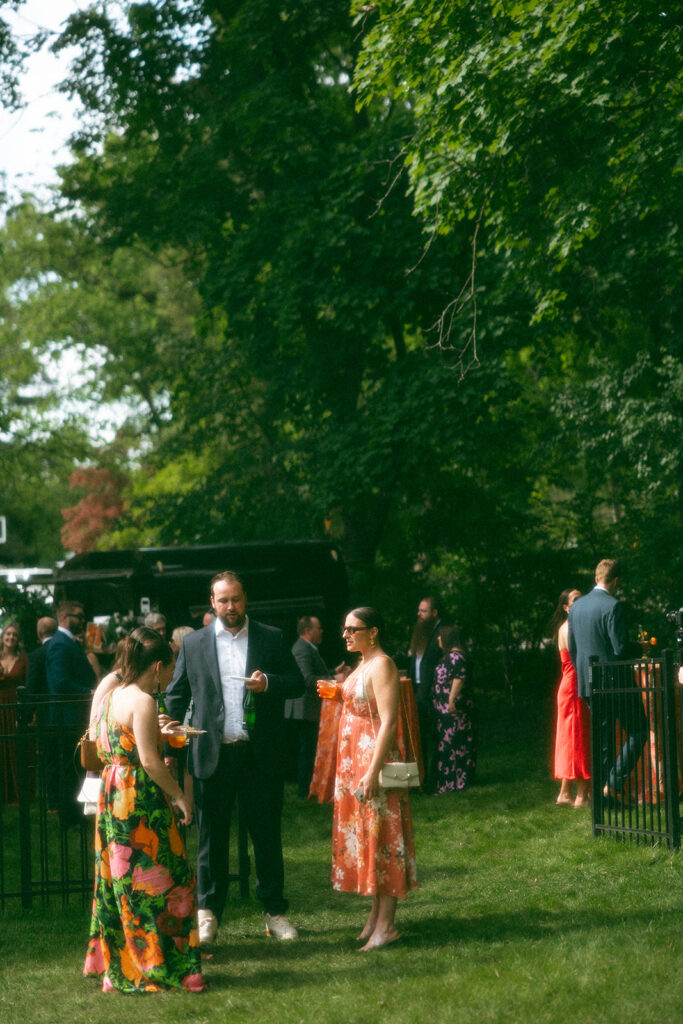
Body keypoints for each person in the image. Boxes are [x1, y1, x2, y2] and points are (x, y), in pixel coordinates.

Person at [165, 570, 304, 945]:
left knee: (267, 835)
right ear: (212, 603)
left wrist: (269, 683)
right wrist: (168, 732)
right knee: (211, 838)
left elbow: (297, 683)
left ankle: (275, 913)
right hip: (213, 754)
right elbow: (176, 695)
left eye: (236, 599)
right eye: (223, 600)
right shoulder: (193, 644)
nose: (230, 606)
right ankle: (208, 914)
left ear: (246, 599)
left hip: (259, 754)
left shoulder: (270, 637)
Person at [83, 627, 203, 993]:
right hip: (139, 799)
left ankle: (117, 969)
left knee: (119, 881)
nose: (169, 679)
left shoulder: (109, 696)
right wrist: (180, 796)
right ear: (156, 666)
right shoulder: (144, 700)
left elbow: (104, 742)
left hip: (112, 794)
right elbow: (151, 762)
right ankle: (165, 968)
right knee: (165, 880)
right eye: (168, 670)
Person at [324, 606, 418, 951]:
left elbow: (389, 721)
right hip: (355, 763)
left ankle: (387, 926)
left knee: (384, 840)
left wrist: (373, 770)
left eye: (353, 629)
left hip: (372, 763)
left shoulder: (383, 665)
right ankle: (375, 917)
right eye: (344, 629)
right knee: (368, 839)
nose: (345, 634)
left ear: (373, 631)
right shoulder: (362, 665)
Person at [568, 559, 647, 800]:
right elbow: (621, 648)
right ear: (615, 581)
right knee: (638, 730)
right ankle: (612, 784)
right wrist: (641, 648)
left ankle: (602, 801)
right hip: (616, 681)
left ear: (596, 578)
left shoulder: (576, 608)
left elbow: (573, 649)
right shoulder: (613, 606)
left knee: (602, 740)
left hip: (589, 682)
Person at [45, 601, 96, 824]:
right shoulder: (60, 644)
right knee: (70, 767)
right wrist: (89, 691)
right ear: (65, 617)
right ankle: (70, 817)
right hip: (67, 717)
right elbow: (59, 682)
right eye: (78, 615)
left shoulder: (67, 642)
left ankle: (74, 814)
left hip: (73, 715)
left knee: (75, 766)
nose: (82, 620)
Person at [551, 588, 590, 807]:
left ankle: (565, 793)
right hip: (574, 686)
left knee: (568, 740)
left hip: (567, 687)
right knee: (579, 739)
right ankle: (581, 795)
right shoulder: (572, 627)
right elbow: (579, 661)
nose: (581, 602)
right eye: (576, 600)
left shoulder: (563, 627)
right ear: (566, 607)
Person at [286, 615, 330, 799]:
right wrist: (334, 680)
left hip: (307, 709)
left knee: (309, 748)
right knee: (307, 750)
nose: (321, 631)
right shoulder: (302, 649)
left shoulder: (309, 648)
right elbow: (307, 679)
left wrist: (334, 672)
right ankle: (304, 790)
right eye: (318, 628)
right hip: (303, 710)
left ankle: (309, 787)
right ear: (307, 630)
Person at [432, 625, 477, 793]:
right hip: (447, 711)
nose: (438, 639)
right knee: (452, 745)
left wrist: (451, 701)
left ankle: (453, 783)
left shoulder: (455, 657)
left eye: (440, 637)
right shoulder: (454, 656)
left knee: (452, 746)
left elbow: (459, 679)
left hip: (453, 711)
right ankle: (454, 782)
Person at [408, 595, 442, 792]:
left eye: (424, 611)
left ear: (434, 613)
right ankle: (421, 778)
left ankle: (435, 779)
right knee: (419, 738)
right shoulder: (419, 632)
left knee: (435, 737)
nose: (419, 614)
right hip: (418, 691)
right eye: (419, 610)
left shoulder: (442, 632)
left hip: (434, 692)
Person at [0, 620, 29, 804]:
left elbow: (27, 685)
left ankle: (17, 793)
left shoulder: (23, 659)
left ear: (18, 640)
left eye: (14, 635)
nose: (11, 637)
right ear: (2, 638)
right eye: (8, 634)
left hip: (15, 707)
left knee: (14, 749)